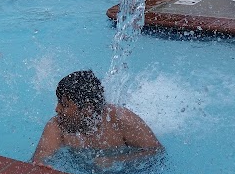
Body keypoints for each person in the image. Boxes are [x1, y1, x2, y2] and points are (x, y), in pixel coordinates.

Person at [31, 70, 162, 167]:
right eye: (58, 102)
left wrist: (117, 160)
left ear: (88, 109)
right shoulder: (57, 125)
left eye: (64, 105)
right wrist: (41, 164)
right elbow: (40, 157)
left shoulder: (121, 120)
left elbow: (156, 151)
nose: (57, 109)